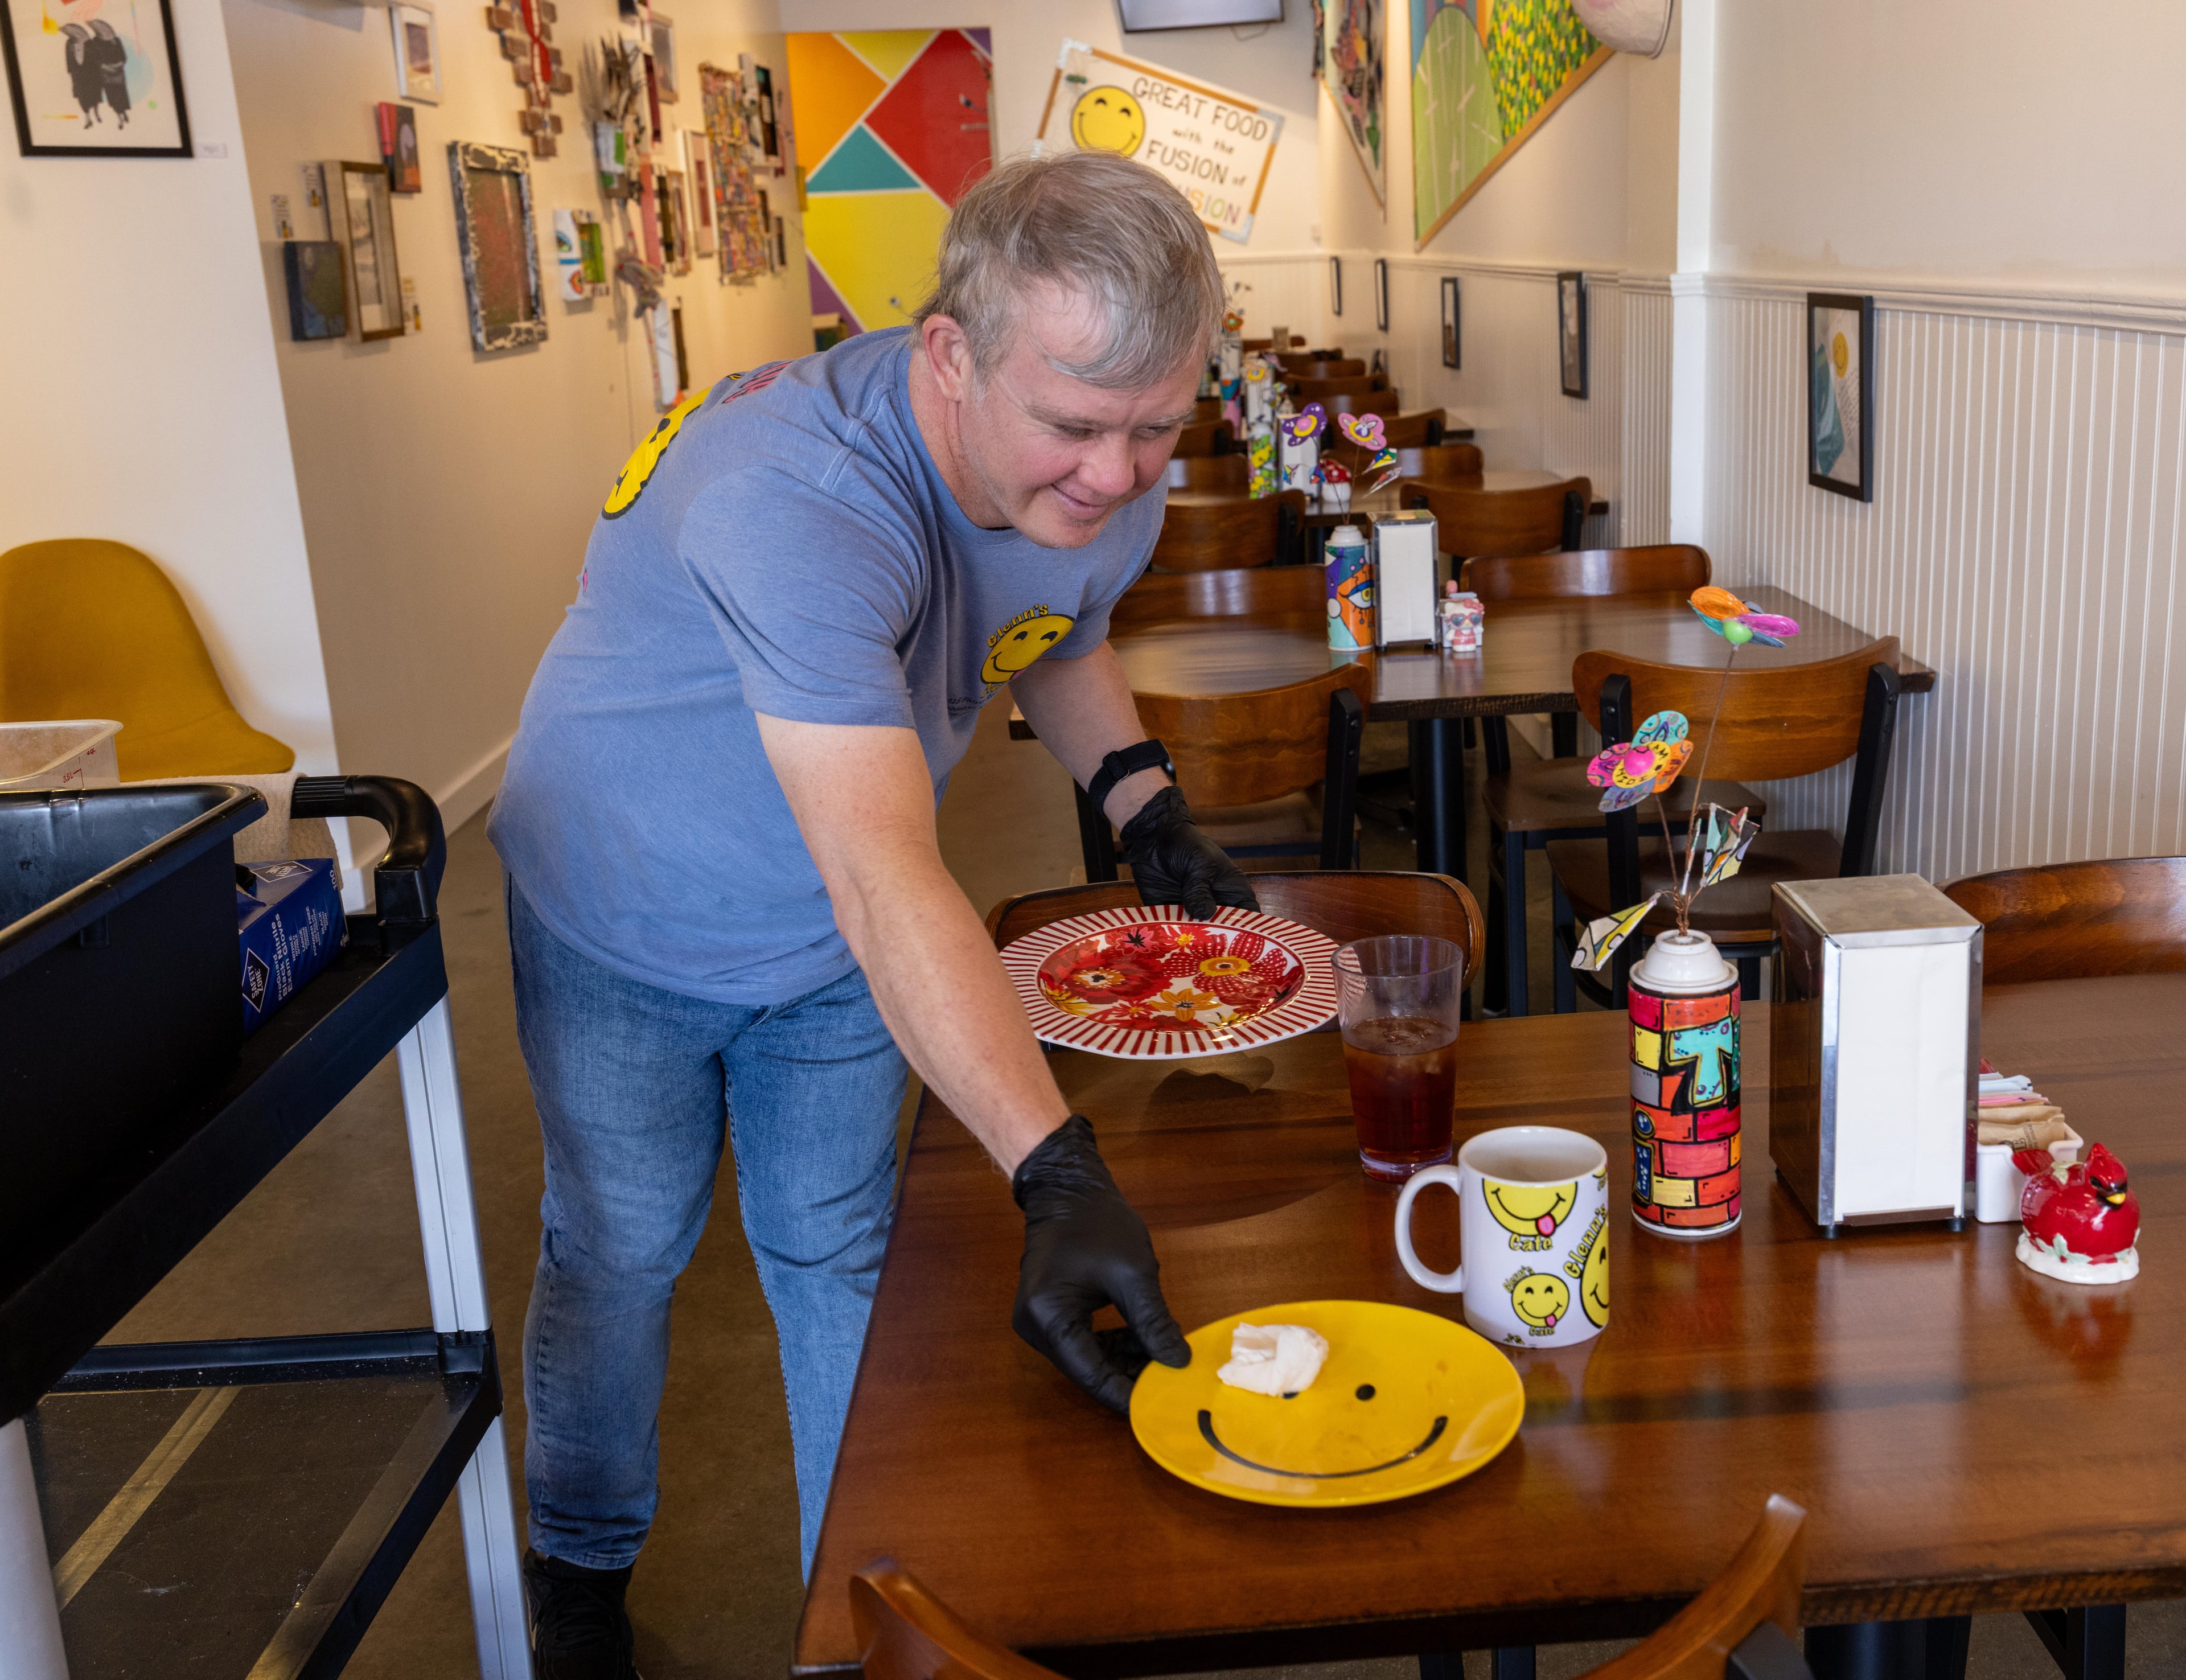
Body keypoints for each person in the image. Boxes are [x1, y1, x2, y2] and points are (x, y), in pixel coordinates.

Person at [486, 149, 1257, 1679]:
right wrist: (1052, 1164)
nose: (1116, 476)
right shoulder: (797, 496)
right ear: (950, 356)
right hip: (624, 902)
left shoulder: (1102, 461)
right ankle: (579, 1568)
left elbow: (1057, 621)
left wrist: (1138, 796)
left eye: (1157, 430)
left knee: (838, 1251)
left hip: (835, 942)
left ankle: (860, 1621)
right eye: (1076, 428)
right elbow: (886, 871)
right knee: (622, 1249)